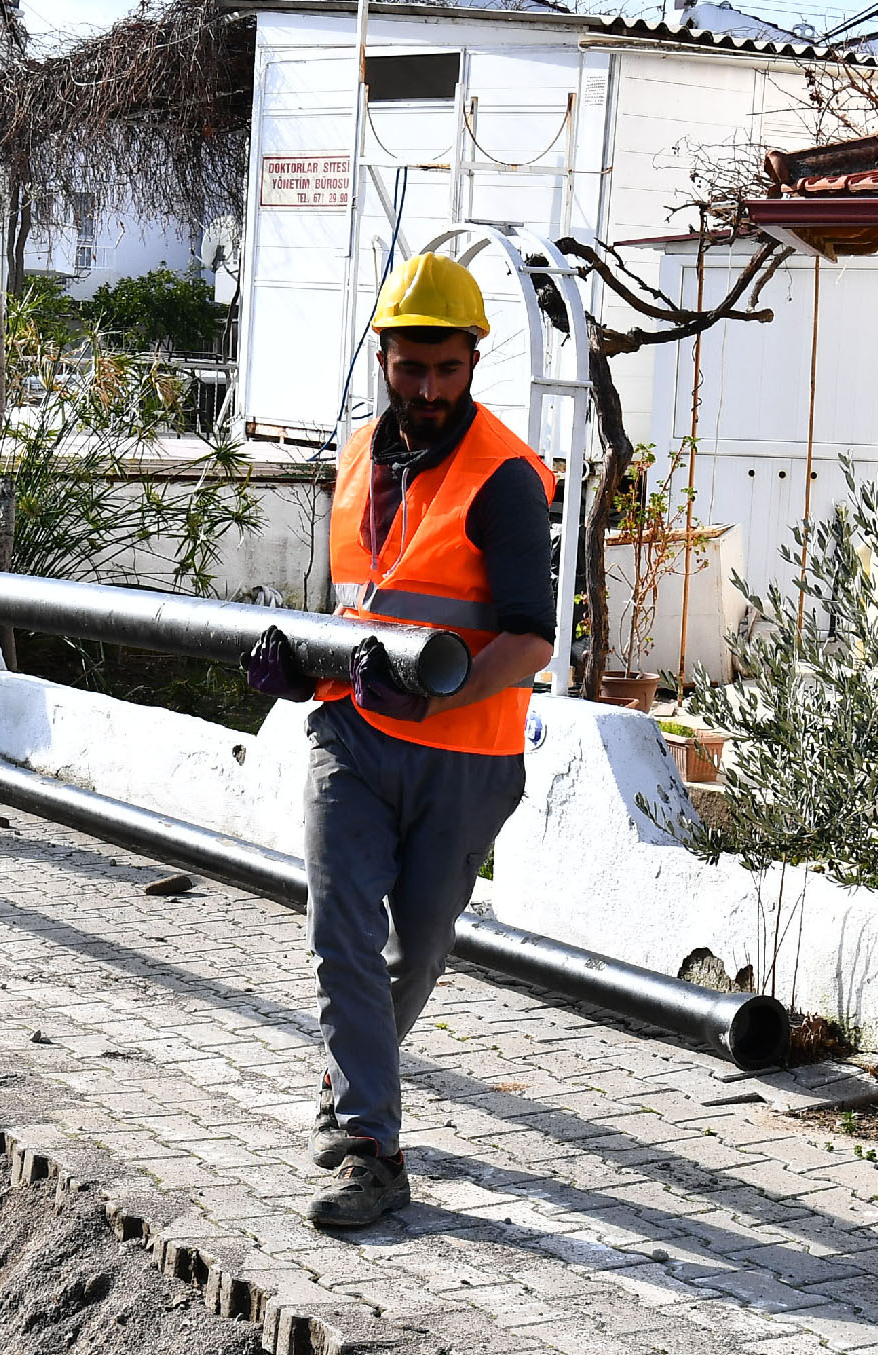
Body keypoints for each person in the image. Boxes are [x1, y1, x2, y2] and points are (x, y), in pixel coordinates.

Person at [242, 253, 558, 1230]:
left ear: (472, 361)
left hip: (464, 755)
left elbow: (531, 637)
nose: (426, 389)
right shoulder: (349, 457)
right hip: (351, 731)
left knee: (412, 954)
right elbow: (356, 600)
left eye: (445, 370)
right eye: (409, 367)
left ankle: (350, 1092)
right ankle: (372, 1150)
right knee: (338, 931)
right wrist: (305, 662)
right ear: (383, 355)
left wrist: (430, 702)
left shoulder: (503, 475)